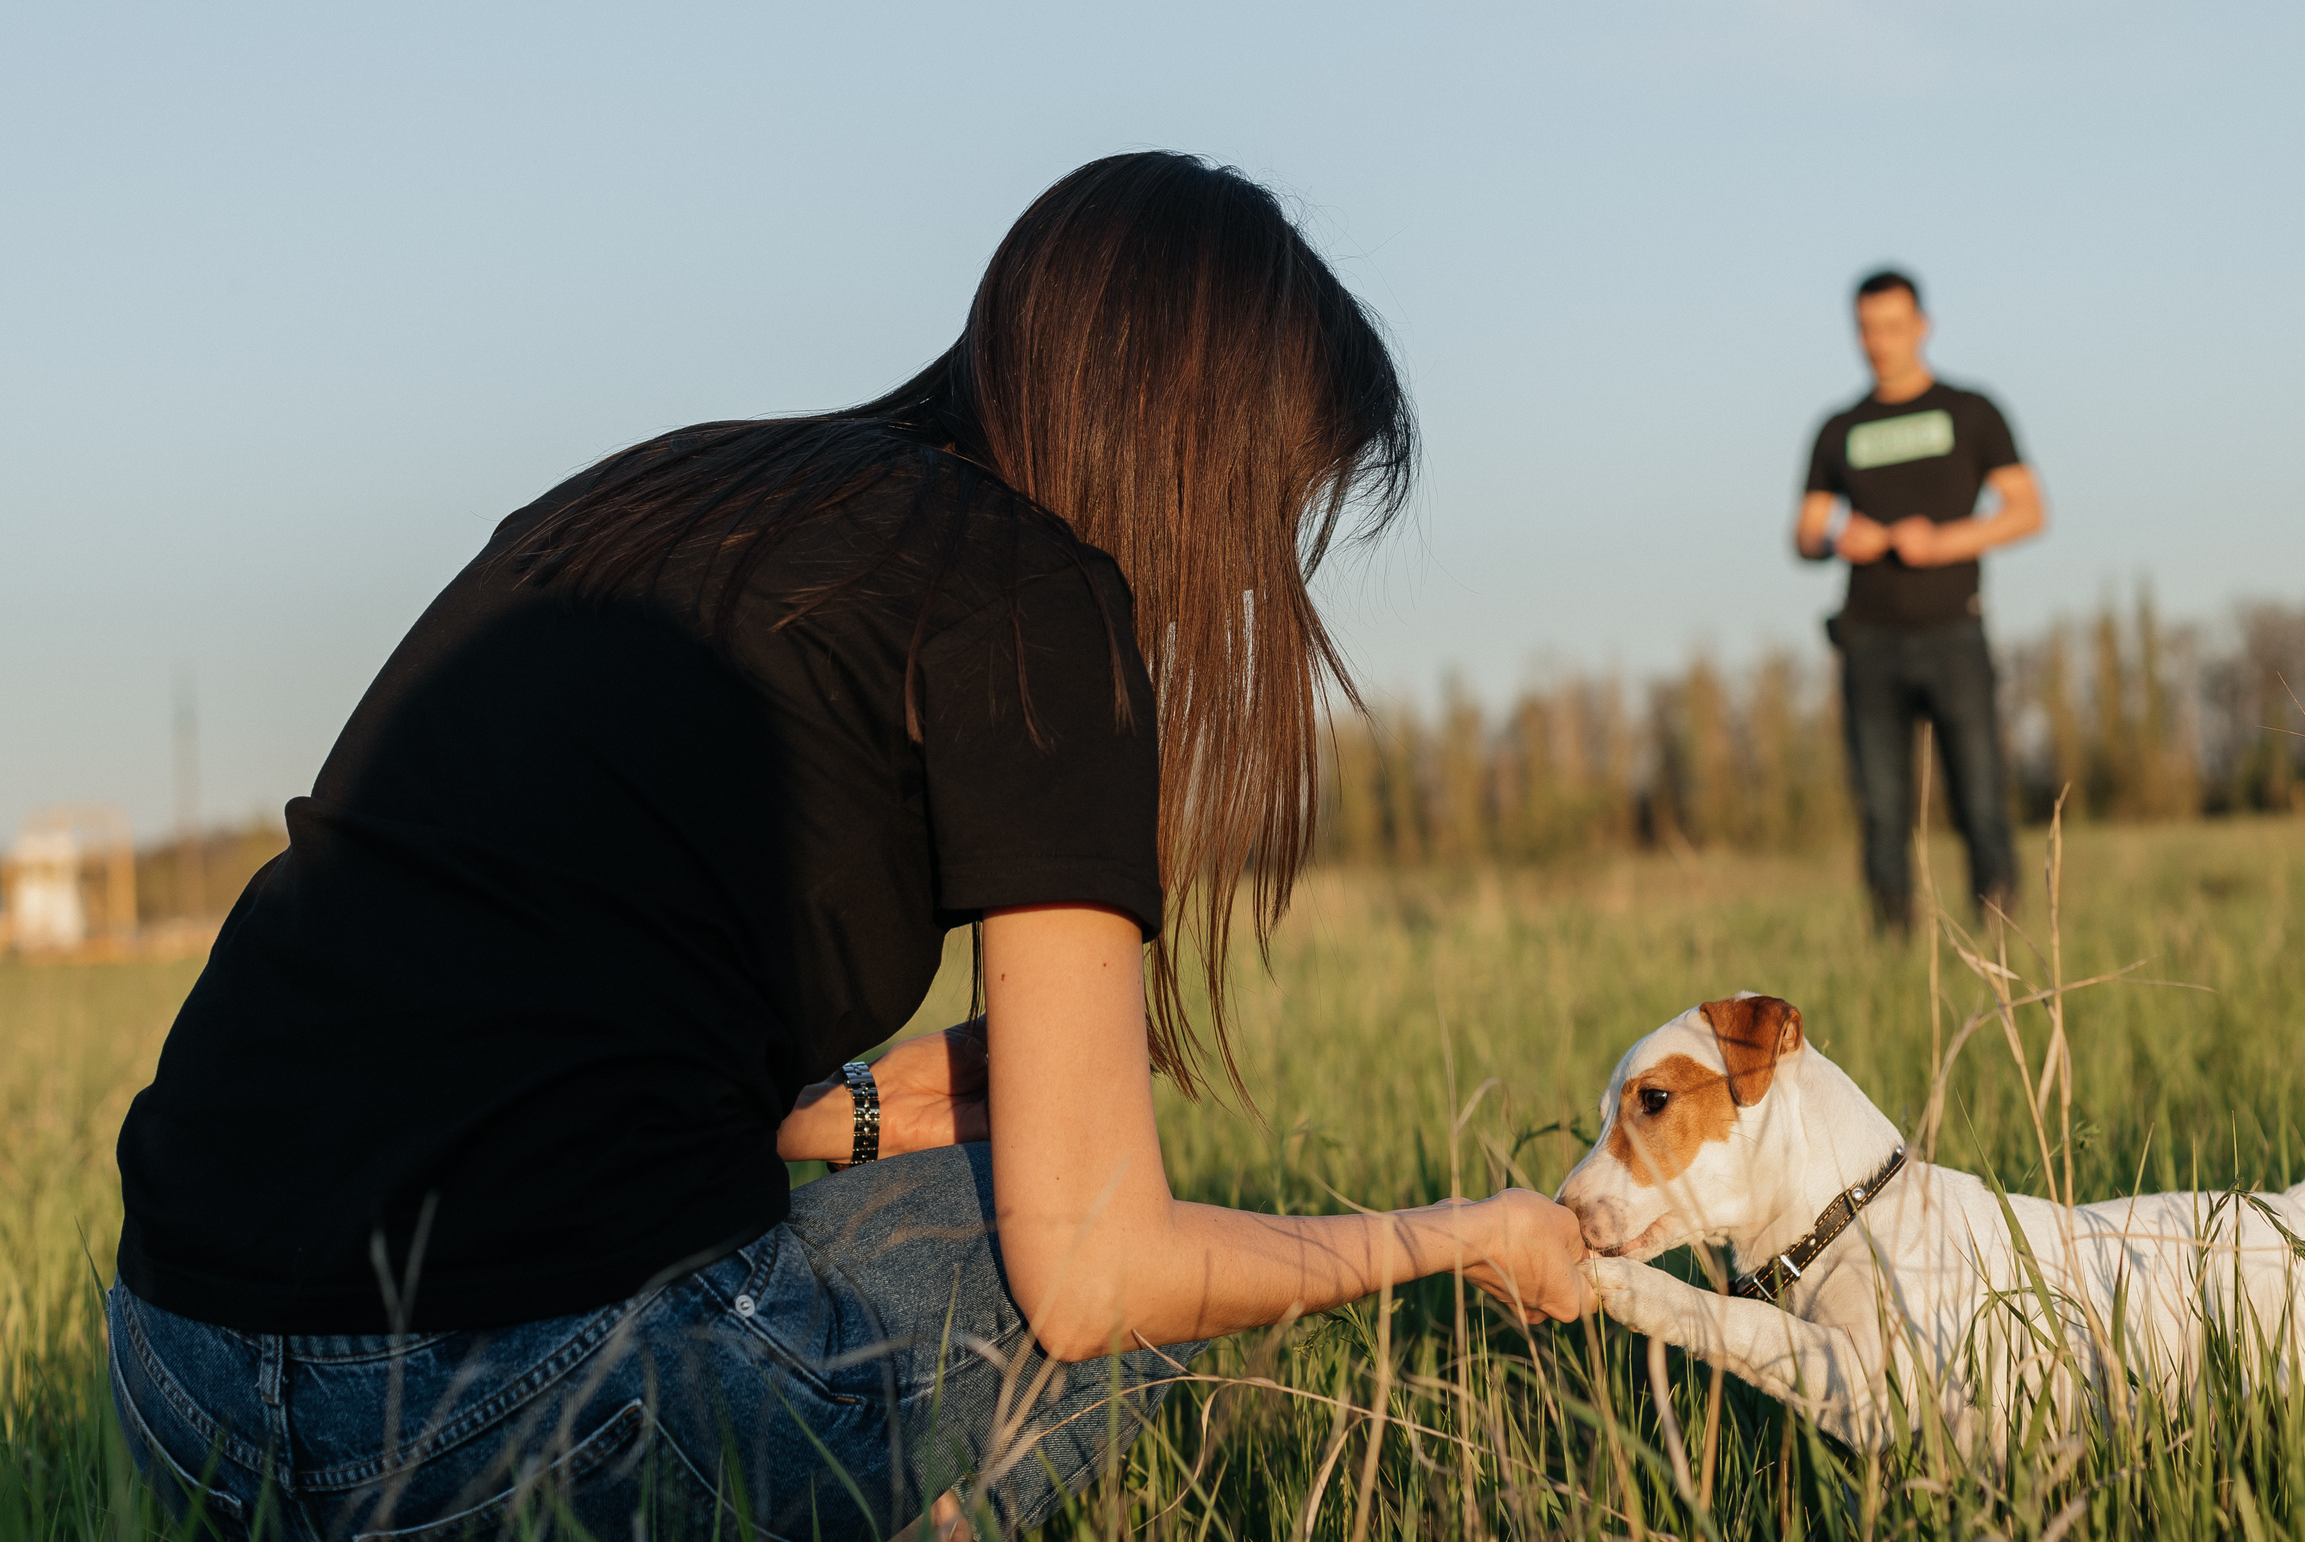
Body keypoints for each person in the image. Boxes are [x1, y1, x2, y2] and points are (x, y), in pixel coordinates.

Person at [107, 153, 1594, 1540]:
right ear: (1211, 457)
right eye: (1277, 504)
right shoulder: (1040, 601)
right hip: (466, 1408)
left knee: (991, 1182)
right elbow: (1102, 1281)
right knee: (1116, 1325)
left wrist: (871, 1108)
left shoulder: (687, 493)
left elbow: (529, 1045)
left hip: (177, 1368)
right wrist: (1472, 1229)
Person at [1795, 269, 2046, 931]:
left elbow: (2028, 510)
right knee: (1881, 811)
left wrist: (1944, 541)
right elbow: (1804, 532)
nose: (1878, 341)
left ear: (1922, 326)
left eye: (1892, 326)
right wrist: (1834, 538)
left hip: (1955, 634)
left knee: (1981, 801)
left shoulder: (1970, 411)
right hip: (1867, 641)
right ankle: (1892, 949)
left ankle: (1998, 944)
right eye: (1867, 328)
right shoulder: (1839, 428)